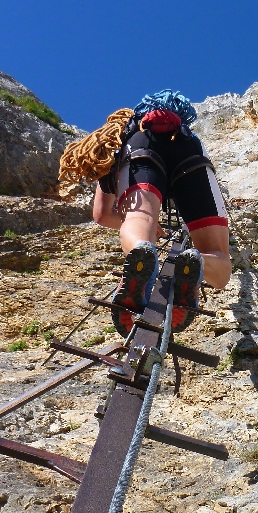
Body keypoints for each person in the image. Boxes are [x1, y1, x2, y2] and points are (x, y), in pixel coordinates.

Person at [59, 90, 230, 335]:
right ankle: (196, 261)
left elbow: (101, 214)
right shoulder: (186, 134)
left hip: (141, 149)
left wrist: (147, 229)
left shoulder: (122, 138)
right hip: (190, 152)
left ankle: (142, 249)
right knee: (219, 266)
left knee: (140, 219)